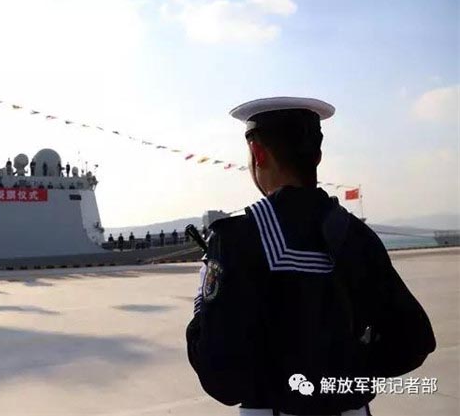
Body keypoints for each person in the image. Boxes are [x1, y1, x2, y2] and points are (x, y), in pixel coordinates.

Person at [186, 97, 435, 416]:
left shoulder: (236, 240)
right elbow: (414, 340)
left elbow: (222, 380)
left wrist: (201, 307)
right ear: (317, 155)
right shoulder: (357, 235)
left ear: (258, 153)